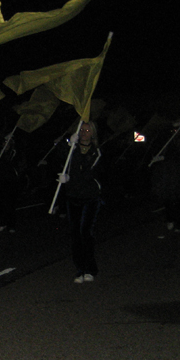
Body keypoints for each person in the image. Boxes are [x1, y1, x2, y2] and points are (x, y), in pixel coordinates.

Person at [61, 121, 103, 283]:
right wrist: (68, 145)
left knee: (86, 232)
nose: (85, 132)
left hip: (90, 197)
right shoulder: (71, 149)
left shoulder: (97, 152)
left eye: (88, 130)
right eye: (82, 130)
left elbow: (86, 170)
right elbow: (61, 159)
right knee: (75, 234)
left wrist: (71, 177)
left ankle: (90, 268)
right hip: (73, 196)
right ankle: (80, 269)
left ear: (93, 133)